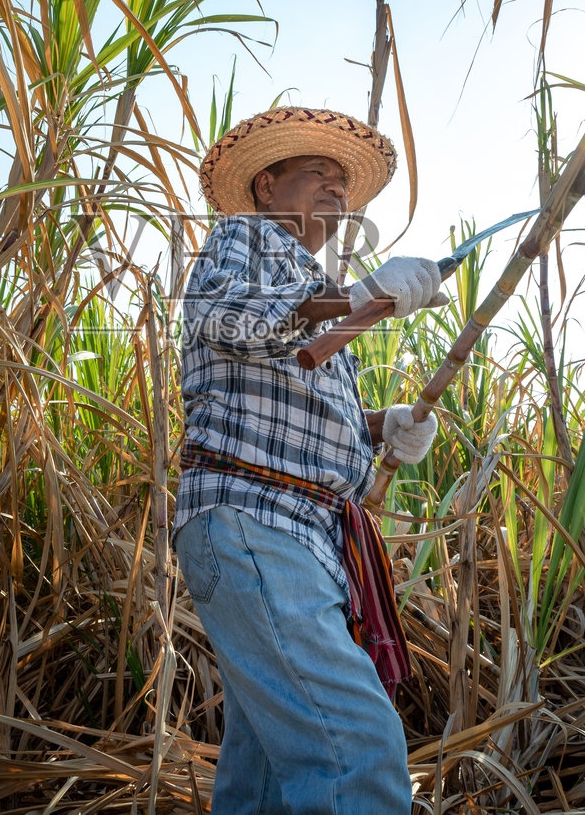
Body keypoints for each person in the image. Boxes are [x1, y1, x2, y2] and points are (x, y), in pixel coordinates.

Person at [174, 106, 447, 813]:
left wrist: (382, 426)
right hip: (255, 524)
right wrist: (359, 299)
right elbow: (226, 319)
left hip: (293, 540)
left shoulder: (313, 292)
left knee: (263, 780)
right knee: (357, 751)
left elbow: (295, 400)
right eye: (315, 172)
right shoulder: (245, 239)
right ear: (266, 185)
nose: (336, 187)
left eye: (341, 180)